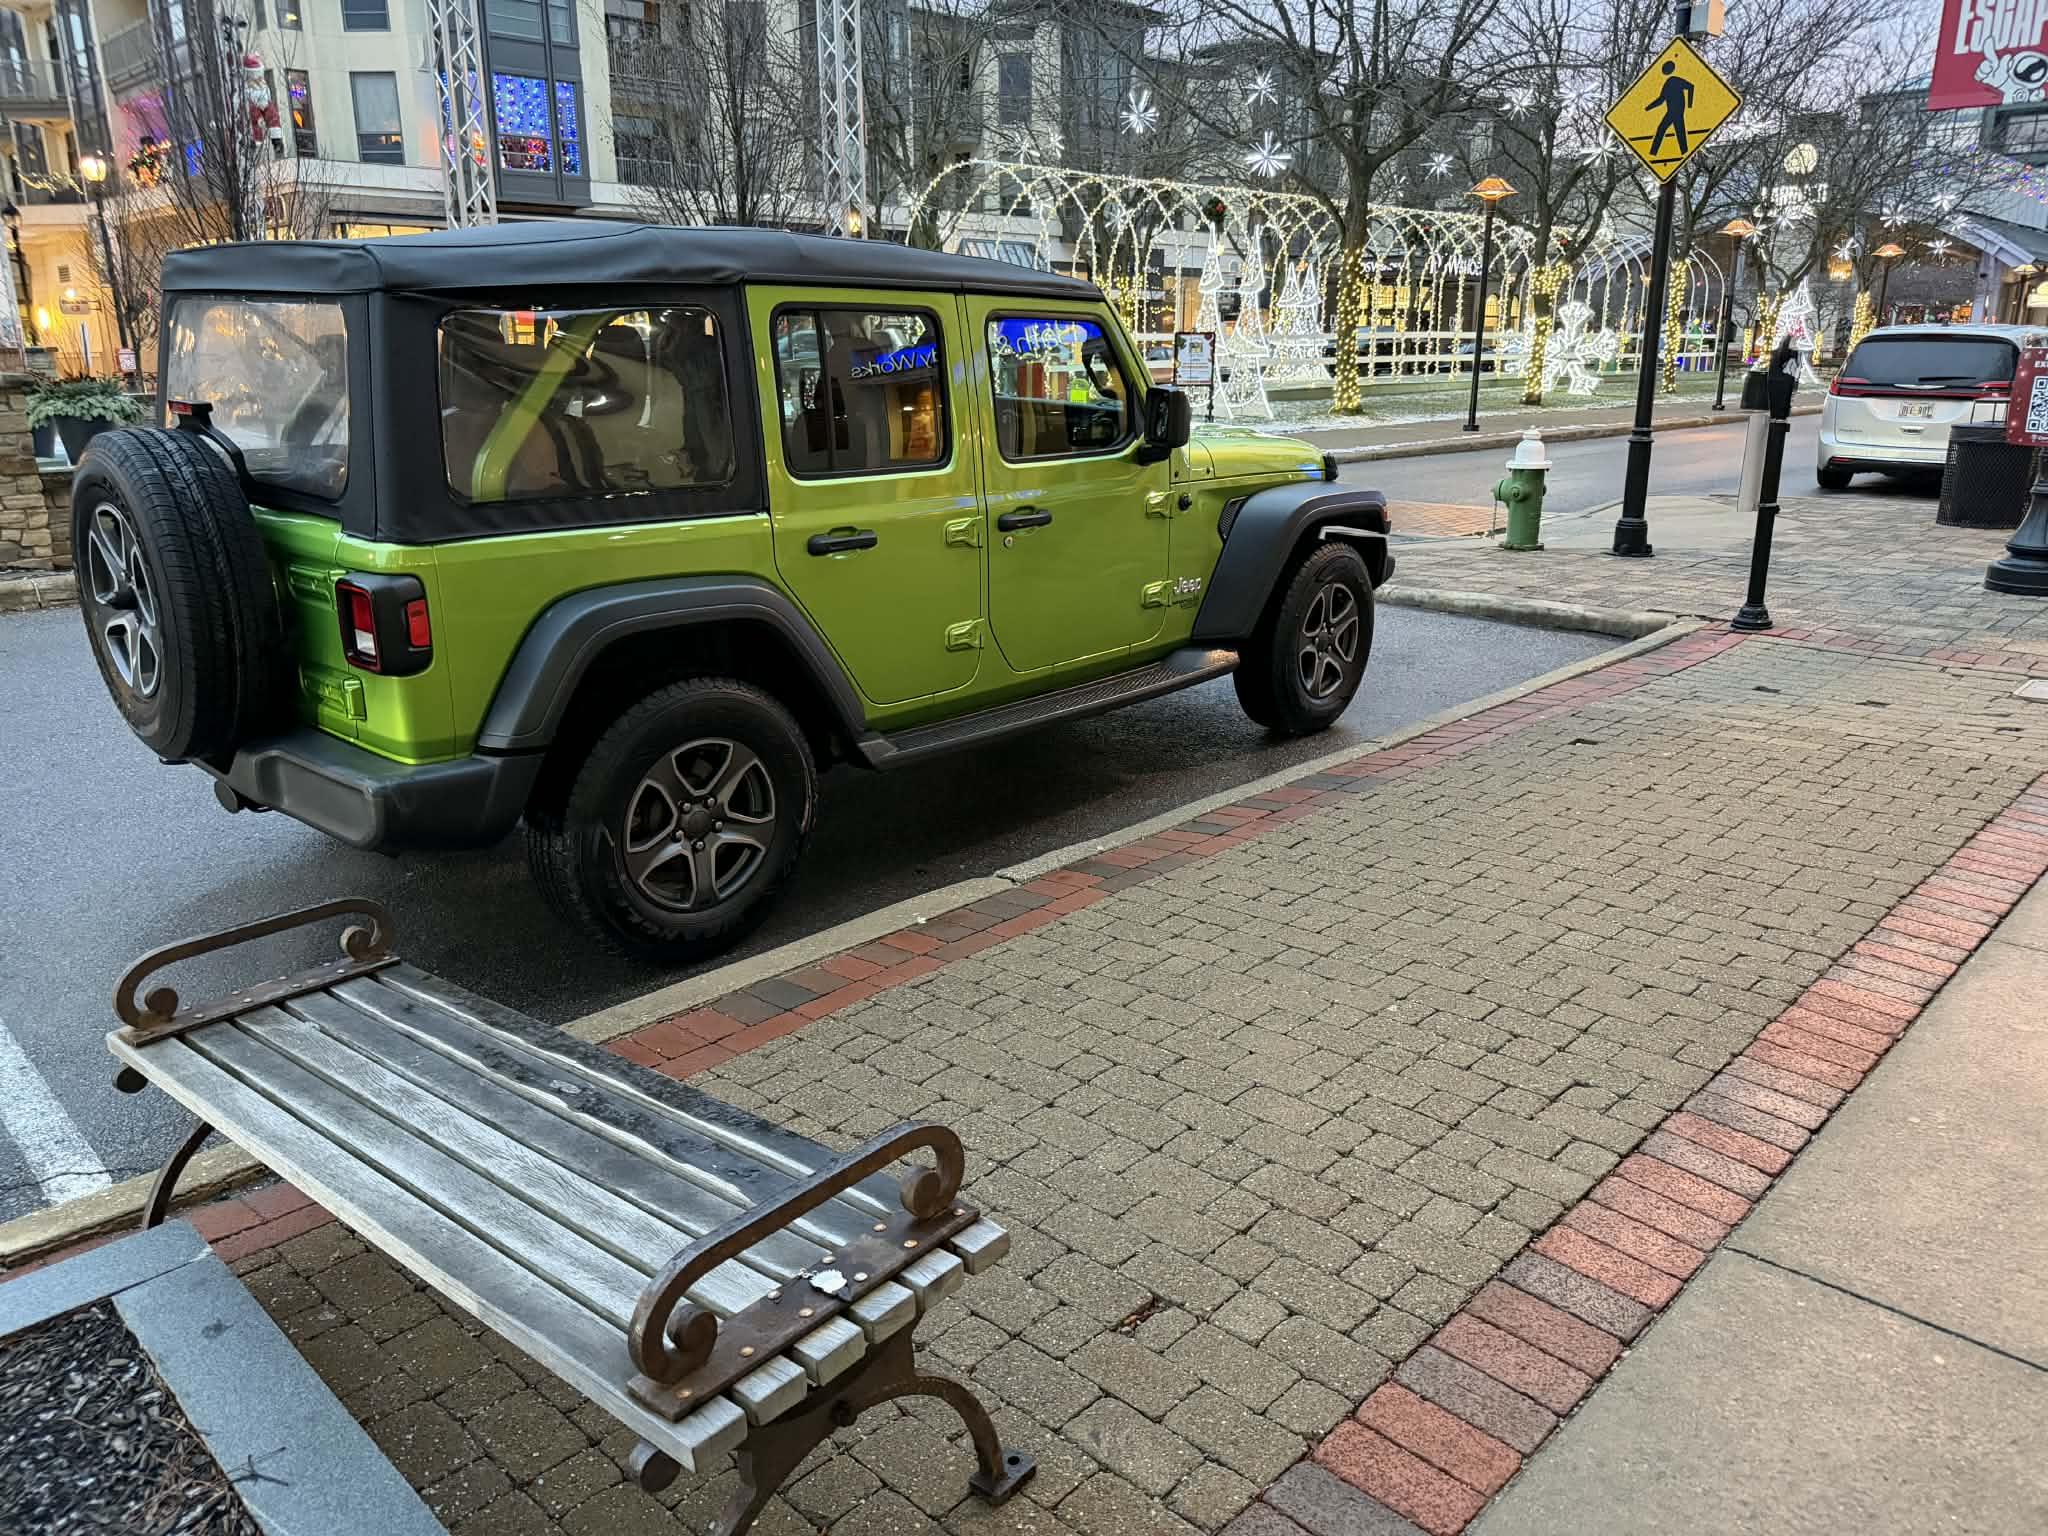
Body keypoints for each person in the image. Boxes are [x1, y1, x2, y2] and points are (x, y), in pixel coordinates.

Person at [1649, 60, 1695, 158]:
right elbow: (1661, 100)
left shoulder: (1674, 80)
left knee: (1663, 129)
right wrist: (1647, 108)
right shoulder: (1667, 83)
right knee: (1679, 132)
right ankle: (1684, 152)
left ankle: (1653, 153)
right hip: (1672, 111)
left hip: (1676, 111)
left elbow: (1691, 86)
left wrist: (1690, 105)